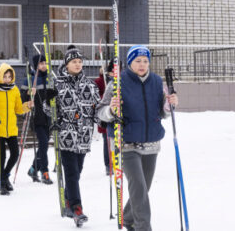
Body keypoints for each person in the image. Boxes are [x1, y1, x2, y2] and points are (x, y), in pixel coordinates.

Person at [98, 45, 178, 231]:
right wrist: (111, 110)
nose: (142, 64)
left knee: (142, 189)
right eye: (137, 61)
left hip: (151, 143)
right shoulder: (117, 83)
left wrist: (169, 105)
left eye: (145, 61)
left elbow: (162, 112)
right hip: (125, 144)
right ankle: (144, 227)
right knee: (139, 189)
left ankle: (127, 218)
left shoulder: (157, 82)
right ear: (129, 62)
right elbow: (100, 113)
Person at [53, 47, 100, 226]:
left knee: (77, 173)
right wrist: (48, 101)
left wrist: (107, 119)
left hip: (84, 135)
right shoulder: (58, 83)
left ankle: (67, 201)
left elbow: (97, 109)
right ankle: (77, 209)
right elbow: (50, 109)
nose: (78, 64)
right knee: (71, 173)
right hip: (66, 134)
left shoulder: (90, 85)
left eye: (80, 61)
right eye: (74, 62)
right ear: (67, 64)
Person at [0, 63, 29, 195]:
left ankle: (4, 176)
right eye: (5, 76)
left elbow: (19, 109)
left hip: (11, 129)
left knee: (15, 154)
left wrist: (28, 105)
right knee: (1, 157)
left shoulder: (14, 90)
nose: (7, 79)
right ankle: (1, 183)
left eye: (10, 76)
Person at [21, 54, 56, 185]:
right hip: (36, 118)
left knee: (44, 146)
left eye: (45, 63)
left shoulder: (50, 79)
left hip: (48, 118)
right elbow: (22, 99)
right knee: (43, 144)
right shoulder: (29, 80)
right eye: (41, 63)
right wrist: (29, 94)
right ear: (36, 66)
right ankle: (44, 172)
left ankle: (33, 168)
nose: (44, 65)